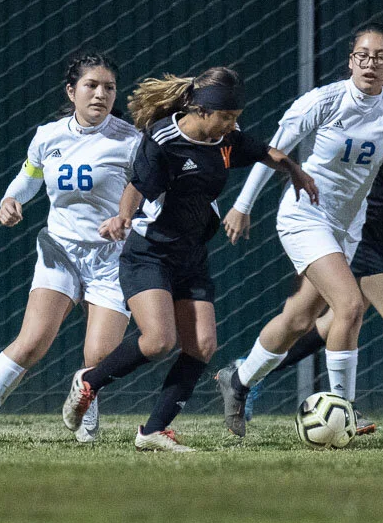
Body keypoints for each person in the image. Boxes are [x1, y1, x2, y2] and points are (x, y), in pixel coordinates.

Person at [216, 23, 383, 438]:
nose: (371, 64)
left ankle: (239, 379)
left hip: (348, 226)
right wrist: (242, 206)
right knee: (350, 306)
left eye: (381, 57)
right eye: (363, 56)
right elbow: (273, 150)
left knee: (299, 320)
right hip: (305, 215)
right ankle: (344, 411)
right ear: (351, 60)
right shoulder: (324, 100)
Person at [60, 67, 318, 452]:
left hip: (192, 256)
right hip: (150, 254)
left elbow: (265, 151)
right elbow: (136, 187)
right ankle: (89, 382)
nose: (232, 125)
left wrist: (294, 170)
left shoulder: (226, 139)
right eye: (226, 117)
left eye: (235, 117)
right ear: (200, 111)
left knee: (202, 346)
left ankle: (153, 431)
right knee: (159, 341)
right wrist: (122, 218)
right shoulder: (163, 140)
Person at [0, 52, 139, 448]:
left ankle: (85, 406)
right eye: (91, 85)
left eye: (109, 87)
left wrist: (128, 221)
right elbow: (29, 177)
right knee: (32, 341)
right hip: (60, 252)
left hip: (111, 258)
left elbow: (152, 196)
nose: (100, 94)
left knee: (99, 357)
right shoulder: (48, 136)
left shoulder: (131, 140)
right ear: (71, 91)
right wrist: (10, 200)